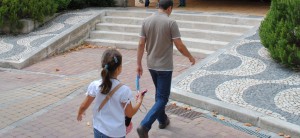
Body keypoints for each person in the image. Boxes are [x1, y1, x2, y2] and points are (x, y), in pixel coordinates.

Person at [136, 0, 196, 137]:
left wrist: (138, 64)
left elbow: (140, 44)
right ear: (169, 8)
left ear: (158, 6)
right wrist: (190, 57)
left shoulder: (146, 21)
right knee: (163, 98)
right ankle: (144, 125)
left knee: (159, 94)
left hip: (151, 64)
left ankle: (163, 120)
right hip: (165, 67)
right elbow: (179, 46)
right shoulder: (171, 22)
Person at [77, 48, 145, 138]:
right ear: (119, 69)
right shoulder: (124, 90)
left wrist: (80, 113)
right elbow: (129, 113)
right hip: (116, 133)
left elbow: (83, 106)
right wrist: (139, 101)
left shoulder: (95, 85)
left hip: (98, 129)